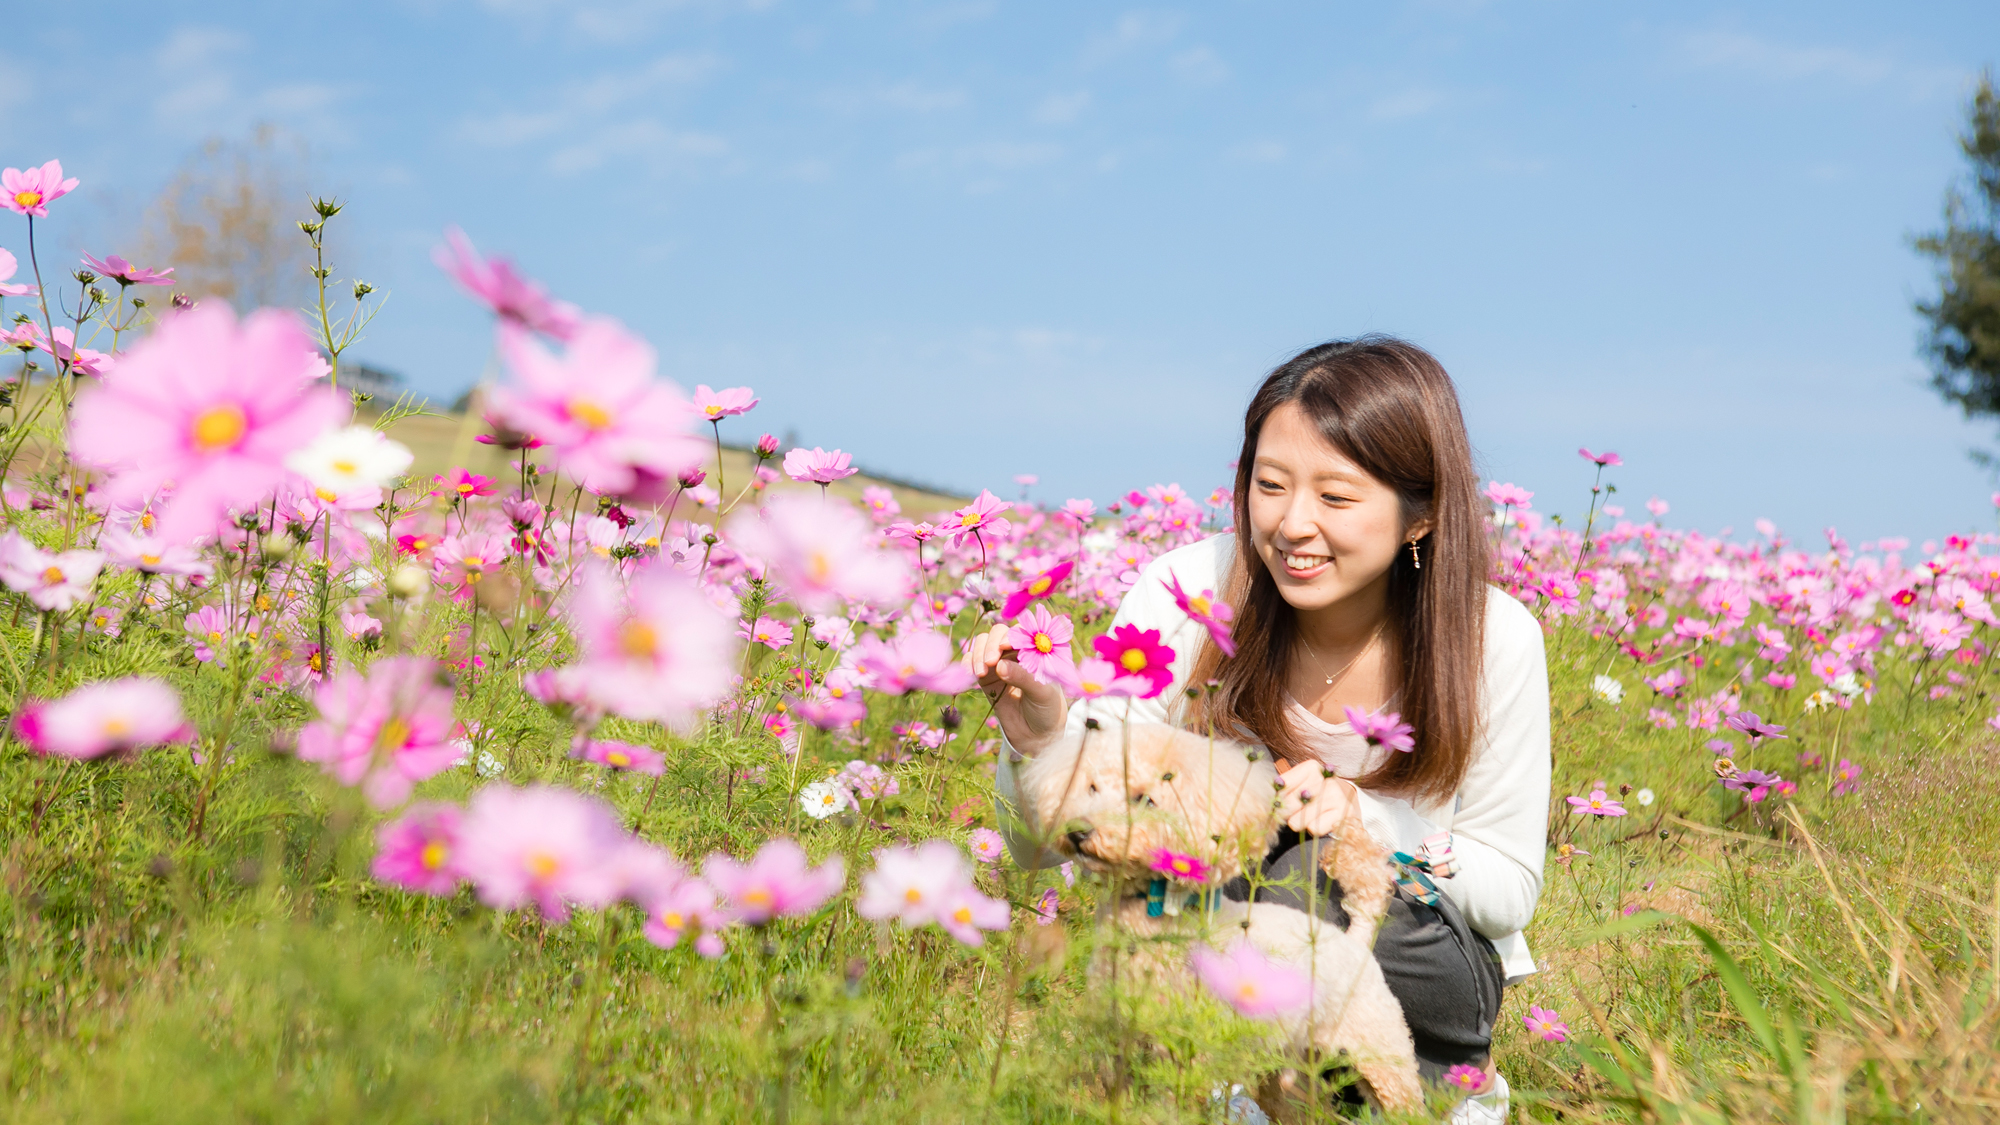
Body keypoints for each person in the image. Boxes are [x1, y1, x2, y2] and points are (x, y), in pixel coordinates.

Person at [968, 337, 1550, 1121]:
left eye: (1336, 498)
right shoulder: (1187, 592)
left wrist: (1361, 818)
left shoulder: (1491, 638)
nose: (1292, 524)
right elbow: (1054, 845)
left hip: (1407, 958)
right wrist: (1043, 741)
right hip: (1210, 953)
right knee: (1189, 870)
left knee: (1298, 867)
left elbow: (1507, 889)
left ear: (1423, 514)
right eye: (1269, 485)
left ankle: (1427, 1090)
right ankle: (1225, 1083)